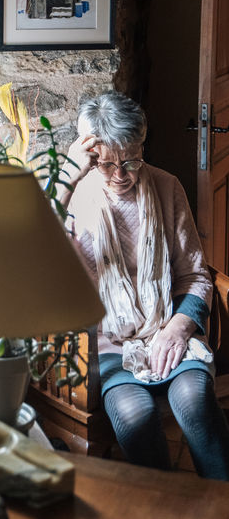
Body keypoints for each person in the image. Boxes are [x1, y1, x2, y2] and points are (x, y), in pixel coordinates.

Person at [60, 89, 229, 479]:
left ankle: (222, 496)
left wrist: (177, 329)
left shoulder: (168, 187)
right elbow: (35, 251)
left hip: (168, 326)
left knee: (195, 401)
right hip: (107, 341)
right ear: (89, 156)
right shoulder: (73, 197)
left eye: (131, 160)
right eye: (107, 163)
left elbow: (194, 275)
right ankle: (161, 501)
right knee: (134, 417)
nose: (121, 175)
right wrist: (67, 178)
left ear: (142, 146)